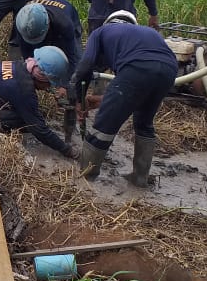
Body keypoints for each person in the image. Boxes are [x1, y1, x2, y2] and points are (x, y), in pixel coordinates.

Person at [70, 10, 177, 186]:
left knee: (104, 124)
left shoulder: (100, 32)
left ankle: (86, 177)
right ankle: (140, 178)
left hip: (137, 67)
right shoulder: (146, 32)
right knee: (144, 122)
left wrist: (75, 96)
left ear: (109, 22)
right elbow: (133, 94)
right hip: (169, 70)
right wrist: (100, 99)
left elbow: (86, 65)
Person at [14, 0, 83, 86]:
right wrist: (32, 75)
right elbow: (26, 53)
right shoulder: (21, 21)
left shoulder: (64, 24)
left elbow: (71, 56)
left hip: (65, 16)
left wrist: (66, 85)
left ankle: (75, 87)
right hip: (39, 25)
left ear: (48, 24)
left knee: (76, 60)